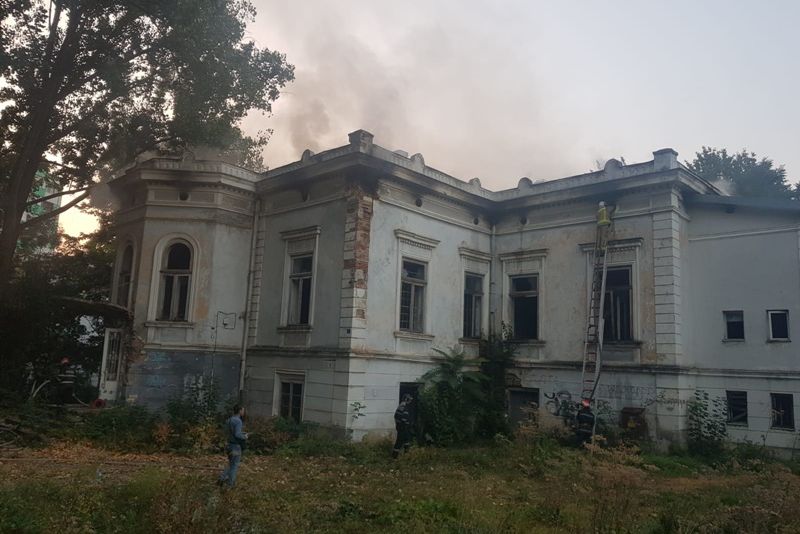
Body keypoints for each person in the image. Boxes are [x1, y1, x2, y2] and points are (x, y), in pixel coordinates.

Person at [218, 404, 248, 488]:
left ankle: (221, 478)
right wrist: (245, 436)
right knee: (234, 466)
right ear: (240, 411)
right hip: (236, 446)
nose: (244, 412)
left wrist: (241, 433)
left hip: (229, 445)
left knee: (231, 463)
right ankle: (230, 485)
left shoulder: (229, 420)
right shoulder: (238, 421)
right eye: (243, 410)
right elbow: (237, 434)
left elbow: (228, 433)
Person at [392, 394, 414, 459]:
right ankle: (394, 456)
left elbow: (396, 416)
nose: (410, 401)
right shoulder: (403, 407)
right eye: (409, 399)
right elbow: (404, 418)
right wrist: (407, 424)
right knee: (399, 441)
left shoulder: (401, 406)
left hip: (402, 427)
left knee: (407, 439)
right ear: (406, 399)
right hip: (403, 427)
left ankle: (406, 454)